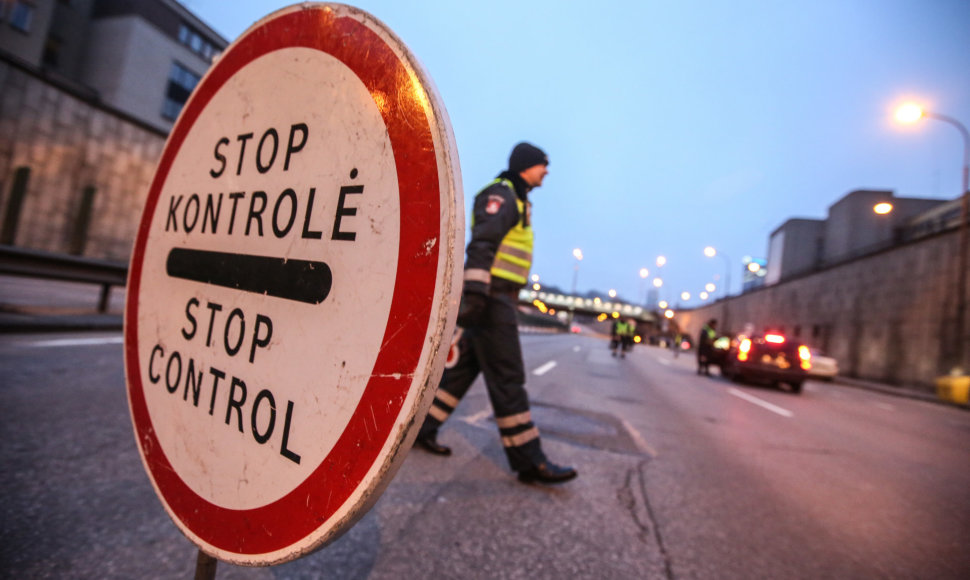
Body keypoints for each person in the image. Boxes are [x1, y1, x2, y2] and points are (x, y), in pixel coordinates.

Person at [414, 142, 577, 485]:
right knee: (508, 377)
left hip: (493, 298)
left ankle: (421, 428)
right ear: (526, 166)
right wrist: (475, 293)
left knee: (461, 373)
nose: (547, 171)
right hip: (491, 298)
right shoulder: (502, 195)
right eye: (542, 165)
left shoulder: (518, 199)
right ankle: (529, 460)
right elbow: (483, 243)